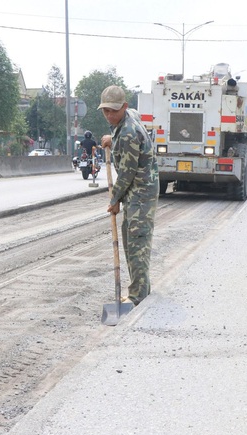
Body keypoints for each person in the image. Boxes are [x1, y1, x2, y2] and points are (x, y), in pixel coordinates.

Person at [98, 85, 159, 306]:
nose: (109, 115)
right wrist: (111, 139)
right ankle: (142, 288)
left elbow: (126, 173)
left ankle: (137, 296)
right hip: (139, 191)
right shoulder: (129, 118)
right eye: (105, 111)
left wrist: (114, 200)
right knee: (132, 239)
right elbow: (126, 135)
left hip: (141, 194)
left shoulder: (128, 133)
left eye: (114, 111)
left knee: (137, 243)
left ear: (124, 106)